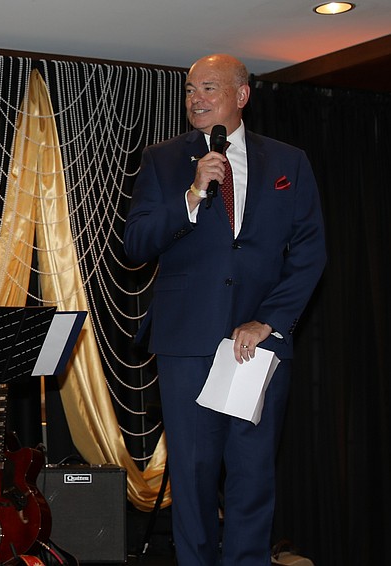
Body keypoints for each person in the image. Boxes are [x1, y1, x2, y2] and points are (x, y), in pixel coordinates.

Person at [124, 54, 326, 565]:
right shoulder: (163, 160)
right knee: (190, 477)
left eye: (208, 88)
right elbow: (136, 243)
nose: (195, 99)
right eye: (190, 89)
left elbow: (309, 252)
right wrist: (192, 195)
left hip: (256, 346)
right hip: (186, 342)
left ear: (241, 95)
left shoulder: (288, 162)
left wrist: (270, 320)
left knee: (252, 475)